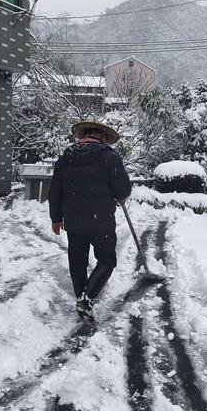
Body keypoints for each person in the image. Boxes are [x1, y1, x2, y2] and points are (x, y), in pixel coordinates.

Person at [48, 122, 132, 321]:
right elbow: (123, 190)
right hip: (101, 220)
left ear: (82, 136)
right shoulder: (109, 157)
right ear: (102, 137)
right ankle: (87, 298)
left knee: (77, 261)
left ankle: (81, 297)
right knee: (107, 260)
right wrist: (119, 194)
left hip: (74, 220)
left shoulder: (65, 158)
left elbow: (55, 191)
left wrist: (55, 218)